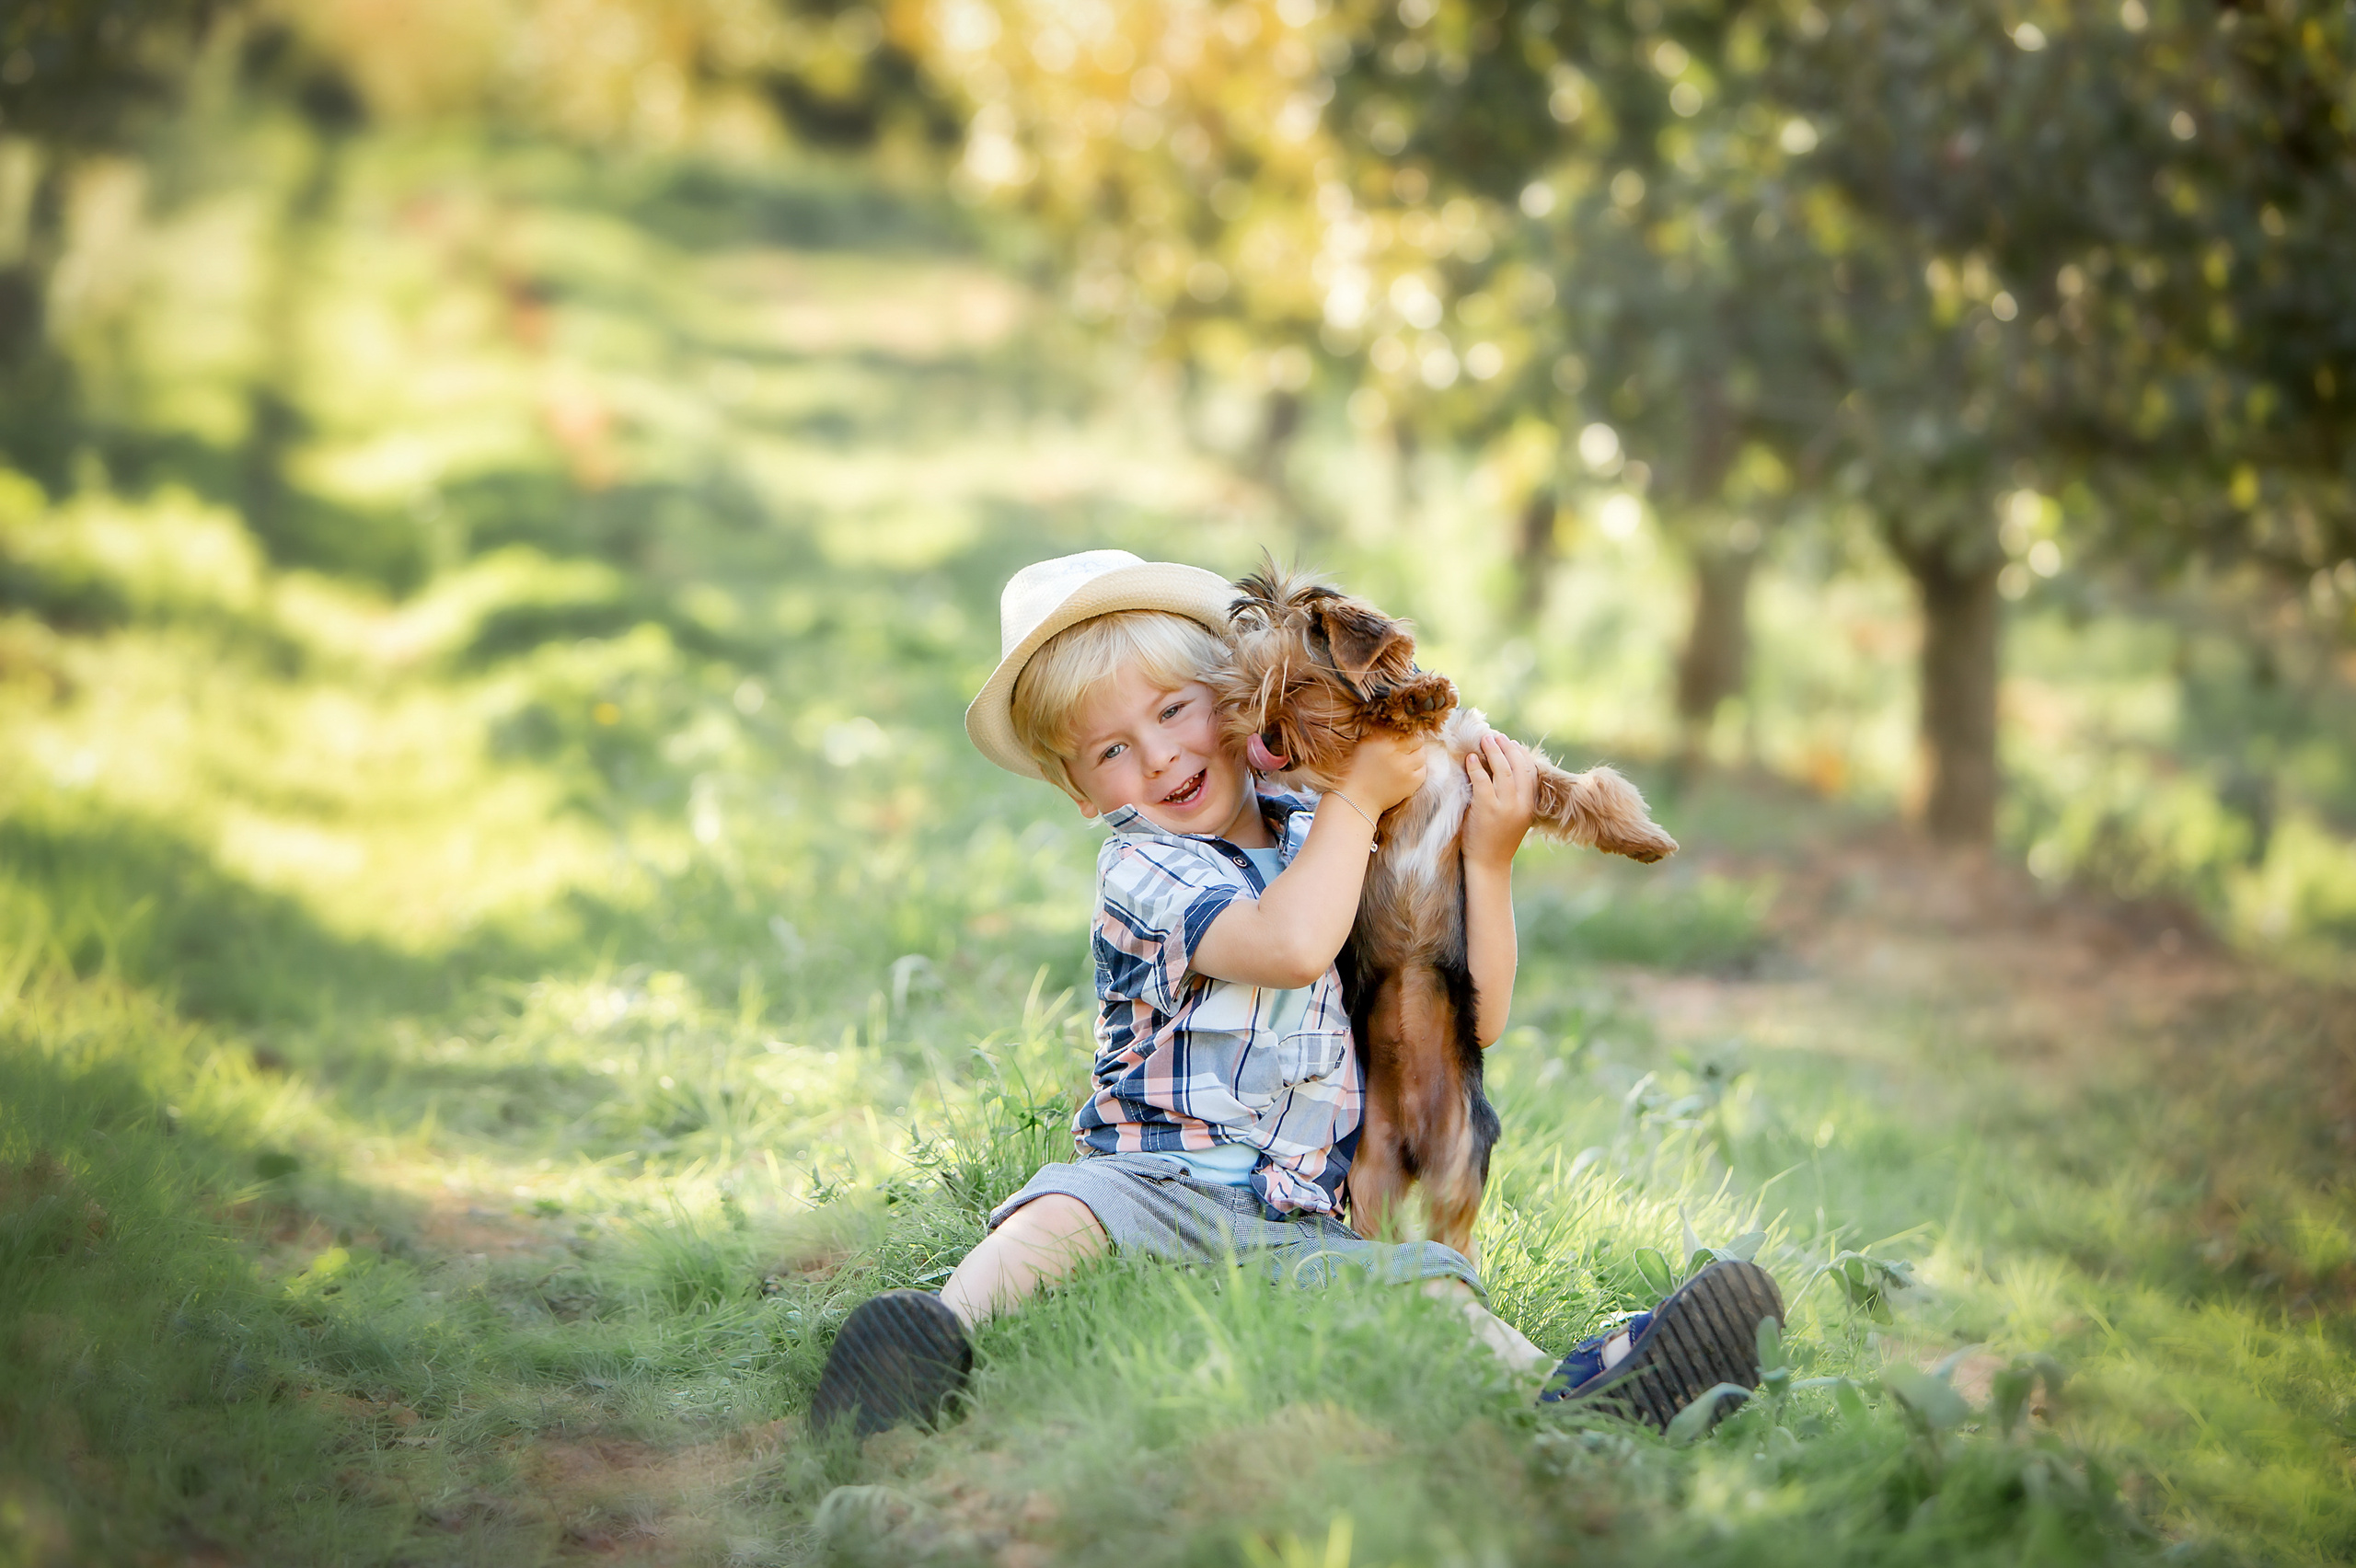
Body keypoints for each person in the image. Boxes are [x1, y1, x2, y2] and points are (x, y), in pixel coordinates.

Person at [809, 549, 1779, 1439]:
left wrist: (1487, 857)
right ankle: (929, 1339)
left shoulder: (1317, 823)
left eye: (1172, 712)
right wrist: (1358, 803)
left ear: (1237, 703)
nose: (1154, 759)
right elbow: (1284, 945)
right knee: (1057, 1213)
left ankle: (1583, 1398)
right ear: (1079, 791)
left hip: (1299, 1219)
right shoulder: (1145, 868)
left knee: (1427, 1285)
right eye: (1108, 752)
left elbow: (1466, 1018)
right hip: (1151, 1176)